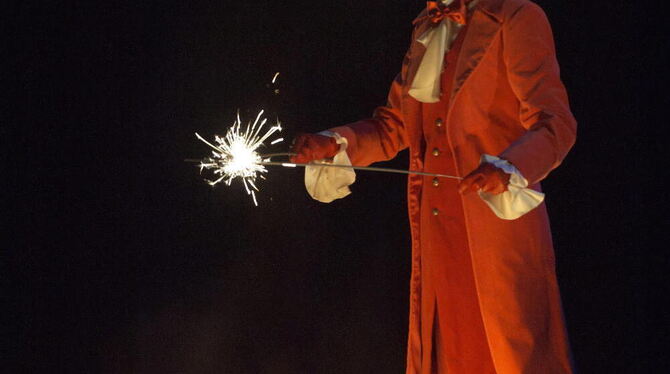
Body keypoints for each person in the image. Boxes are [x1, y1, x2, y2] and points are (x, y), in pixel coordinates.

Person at [291, 0, 576, 373]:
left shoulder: (515, 15)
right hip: (437, 236)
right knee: (447, 353)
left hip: (496, 230)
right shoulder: (426, 27)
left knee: (508, 351)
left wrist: (510, 167)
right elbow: (393, 125)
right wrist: (334, 142)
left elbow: (555, 122)